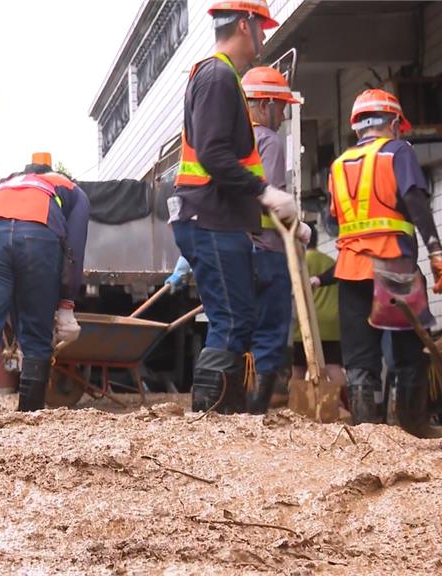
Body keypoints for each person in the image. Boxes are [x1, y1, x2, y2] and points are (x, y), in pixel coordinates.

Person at [170, 1, 307, 414]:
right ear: (246, 25)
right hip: (210, 218)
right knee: (232, 320)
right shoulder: (217, 76)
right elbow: (213, 154)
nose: (265, 37)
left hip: (215, 218)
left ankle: (219, 419)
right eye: (262, 28)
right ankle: (210, 420)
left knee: (237, 319)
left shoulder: (220, 76)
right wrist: (264, 192)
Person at [328, 88, 442, 438]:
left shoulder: (337, 166)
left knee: (360, 357)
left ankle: (367, 435)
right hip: (394, 265)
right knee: (408, 350)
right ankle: (413, 427)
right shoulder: (398, 151)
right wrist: (436, 251)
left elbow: (334, 217)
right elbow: (415, 200)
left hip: (350, 271)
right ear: (394, 123)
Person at [0, 152, 89, 411]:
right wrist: (67, 305)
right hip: (37, 236)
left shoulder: (4, 185)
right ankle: (29, 418)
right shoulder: (71, 189)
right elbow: (74, 248)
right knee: (36, 334)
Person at [241, 65, 298, 413]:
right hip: (268, 249)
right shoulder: (268, 141)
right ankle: (257, 410)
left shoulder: (232, 140)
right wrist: (296, 225)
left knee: (238, 329)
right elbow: (271, 197)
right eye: (280, 107)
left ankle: (233, 409)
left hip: (237, 249)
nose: (282, 115)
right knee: (271, 330)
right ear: (263, 105)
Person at [291, 223, 345, 402]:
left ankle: (296, 405)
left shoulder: (297, 263)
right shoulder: (331, 263)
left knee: (298, 368)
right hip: (331, 323)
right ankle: (342, 404)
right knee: (333, 366)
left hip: (303, 324)